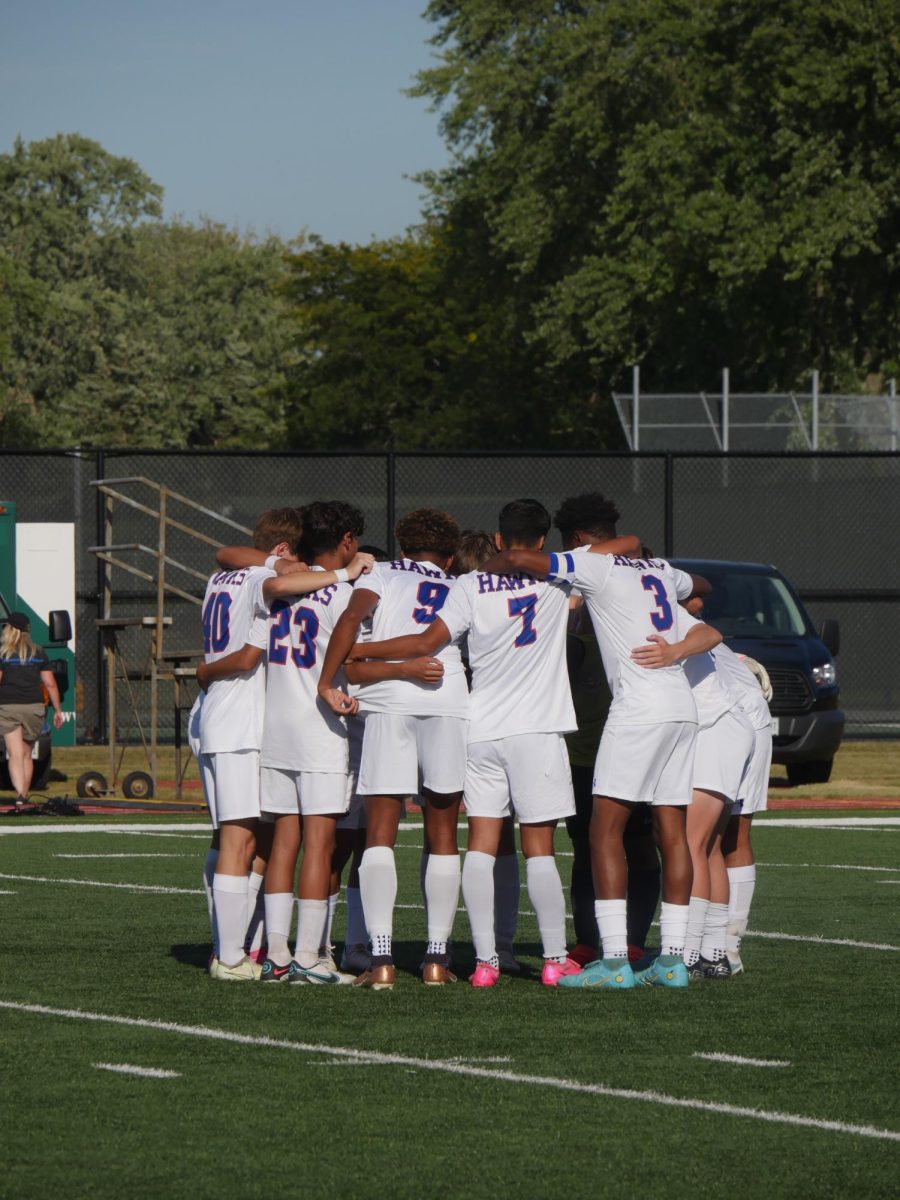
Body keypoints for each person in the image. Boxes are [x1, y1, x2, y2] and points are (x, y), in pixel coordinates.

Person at [475, 492, 721, 990]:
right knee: (670, 832)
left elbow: (522, 558)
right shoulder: (657, 568)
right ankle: (673, 961)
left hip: (638, 710)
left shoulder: (594, 567)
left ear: (580, 540)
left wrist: (488, 565)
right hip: (681, 707)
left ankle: (613, 963)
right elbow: (701, 584)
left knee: (603, 831)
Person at [347, 499, 589, 988]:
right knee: (530, 846)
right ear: (543, 543)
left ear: (497, 541)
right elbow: (613, 558)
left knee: (416, 836)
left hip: (478, 724)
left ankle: (459, 962)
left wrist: (360, 655)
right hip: (515, 723)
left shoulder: (466, 585)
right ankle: (529, 957)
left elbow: (424, 640)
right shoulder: (560, 579)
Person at [196, 507, 365, 982]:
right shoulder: (331, 588)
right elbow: (350, 645)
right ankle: (294, 956)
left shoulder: (233, 578)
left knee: (276, 840)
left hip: (265, 725)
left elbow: (233, 557)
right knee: (308, 842)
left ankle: (268, 951)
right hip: (300, 726)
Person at [318, 508, 468, 990]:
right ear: (449, 556)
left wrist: (331, 676)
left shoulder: (382, 572)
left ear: (402, 547)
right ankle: (436, 961)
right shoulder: (459, 584)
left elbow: (352, 616)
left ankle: (380, 960)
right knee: (443, 833)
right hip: (447, 700)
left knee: (380, 831)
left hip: (387, 704)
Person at [677, 601, 755, 978]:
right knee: (708, 846)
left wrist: (674, 651)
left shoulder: (657, 608)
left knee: (691, 841)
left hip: (719, 727)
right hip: (728, 725)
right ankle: (713, 954)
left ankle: (688, 956)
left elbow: (709, 631)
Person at [0, 612, 64, 807]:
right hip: (34, 708)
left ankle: (19, 795)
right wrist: (58, 710)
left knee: (14, 753)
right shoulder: (39, 652)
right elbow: (50, 684)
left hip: (8, 706)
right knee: (27, 754)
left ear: (10, 630)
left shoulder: (3, 653)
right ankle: (23, 796)